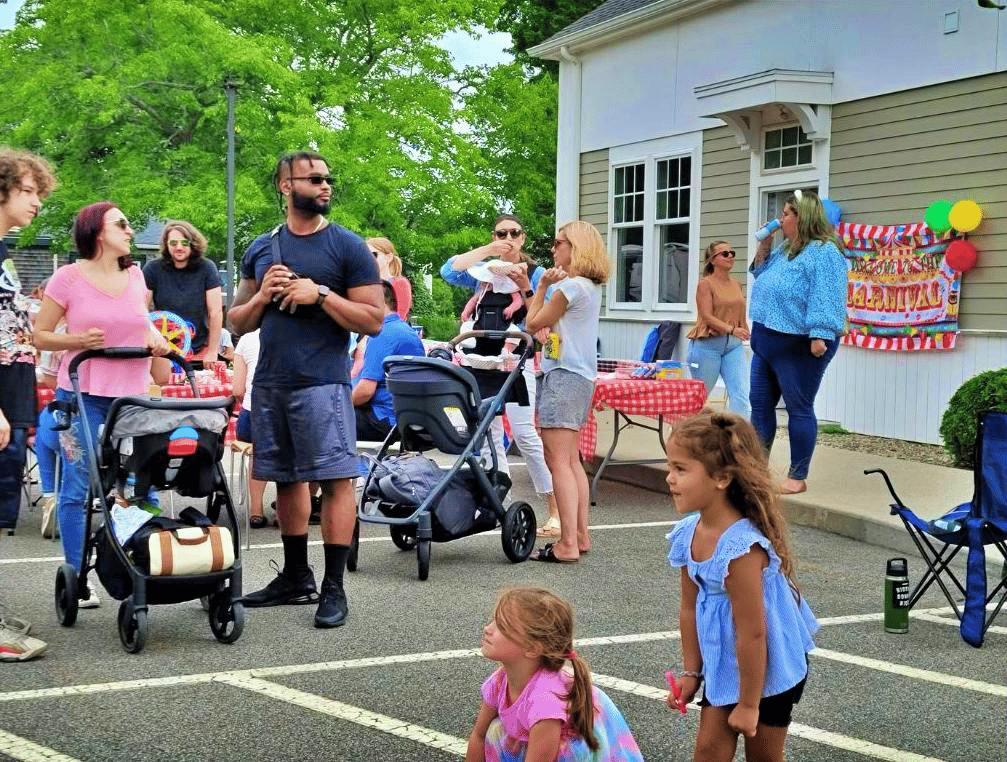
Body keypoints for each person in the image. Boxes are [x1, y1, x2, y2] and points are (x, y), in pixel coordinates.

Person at [228, 150, 383, 629]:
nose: (325, 185)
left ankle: (333, 588)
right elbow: (236, 321)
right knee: (286, 479)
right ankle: (296, 577)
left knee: (336, 481)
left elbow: (374, 319)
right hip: (271, 382)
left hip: (323, 383)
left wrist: (321, 294)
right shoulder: (262, 246)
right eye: (313, 179)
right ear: (285, 185)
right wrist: (261, 296)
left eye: (327, 179)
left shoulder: (347, 247)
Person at [34, 202, 173, 607]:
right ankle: (78, 574)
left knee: (137, 483)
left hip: (132, 399)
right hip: (82, 396)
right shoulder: (67, 278)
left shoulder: (135, 275)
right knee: (79, 487)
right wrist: (78, 341)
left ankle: (129, 561)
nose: (130, 231)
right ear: (97, 232)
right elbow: (40, 336)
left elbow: (139, 322)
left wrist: (155, 338)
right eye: (122, 224)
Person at [665, 411, 818, 762]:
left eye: (681, 469)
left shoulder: (742, 548)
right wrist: (692, 672)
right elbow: (689, 608)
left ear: (721, 478)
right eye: (670, 467)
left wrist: (750, 705)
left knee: (762, 757)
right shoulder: (689, 533)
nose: (670, 479)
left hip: (770, 666)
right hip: (727, 662)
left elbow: (753, 634)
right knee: (708, 751)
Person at [441, 214, 559, 537]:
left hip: (516, 363)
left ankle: (554, 509)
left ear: (523, 238)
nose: (507, 238)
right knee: (490, 430)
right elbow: (449, 270)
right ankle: (497, 494)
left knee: (524, 435)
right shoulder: (485, 273)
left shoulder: (535, 275)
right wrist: (488, 250)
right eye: (501, 233)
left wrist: (524, 285)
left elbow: (544, 313)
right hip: (480, 362)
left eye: (513, 233)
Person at [516, 221, 608, 563]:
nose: (554, 250)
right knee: (571, 462)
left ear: (577, 247)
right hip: (581, 376)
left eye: (559, 243)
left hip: (564, 376)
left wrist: (539, 286)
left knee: (559, 463)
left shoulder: (569, 287)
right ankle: (579, 535)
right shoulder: (588, 287)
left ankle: (567, 542)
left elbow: (533, 323)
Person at [466, 586, 643, 762]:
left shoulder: (544, 702)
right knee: (495, 732)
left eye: (501, 626)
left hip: (582, 755)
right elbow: (478, 736)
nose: (487, 628)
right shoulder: (499, 681)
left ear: (532, 648)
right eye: (493, 621)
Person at [748, 190, 847, 494]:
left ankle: (797, 476)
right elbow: (759, 274)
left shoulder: (825, 252)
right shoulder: (785, 250)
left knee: (798, 407)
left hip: (799, 343)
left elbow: (827, 294)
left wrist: (820, 334)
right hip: (766, 339)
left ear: (803, 218)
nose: (781, 219)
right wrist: (764, 244)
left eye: (787, 214)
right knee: (760, 406)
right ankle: (756, 471)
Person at [0, 147, 55, 661]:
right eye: (28, 190)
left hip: (12, 382)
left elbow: (16, 330)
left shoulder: (4, 252)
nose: (37, 200)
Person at [143, 220, 223, 367]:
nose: (179, 247)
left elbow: (216, 312)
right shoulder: (152, 269)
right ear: (166, 245)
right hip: (163, 351)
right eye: (173, 243)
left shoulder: (207, 268)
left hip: (198, 352)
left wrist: (212, 351)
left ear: (193, 244)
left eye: (184, 243)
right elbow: (141, 310)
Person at [351, 281, 424, 442]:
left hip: (384, 421)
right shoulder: (405, 330)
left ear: (380, 303)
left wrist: (337, 405)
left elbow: (365, 392)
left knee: (324, 420)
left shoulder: (382, 334)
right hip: (406, 419)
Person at [686, 240, 751, 417]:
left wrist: (741, 329)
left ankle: (738, 440)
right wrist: (732, 329)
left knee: (741, 396)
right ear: (712, 260)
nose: (730, 256)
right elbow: (707, 317)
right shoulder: (705, 284)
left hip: (733, 346)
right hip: (708, 346)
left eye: (732, 253)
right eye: (724, 253)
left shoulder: (737, 284)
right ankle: (685, 435)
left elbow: (736, 311)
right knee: (700, 398)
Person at [232, 328, 271, 528]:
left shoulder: (246, 339)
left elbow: (238, 389)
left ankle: (256, 510)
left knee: (257, 451)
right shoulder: (299, 334)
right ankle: (285, 508)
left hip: (252, 416)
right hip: (288, 416)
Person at [366, 237, 412, 320]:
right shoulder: (364, 284)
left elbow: (399, 317)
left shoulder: (399, 284)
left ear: (388, 257)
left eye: (373, 254)